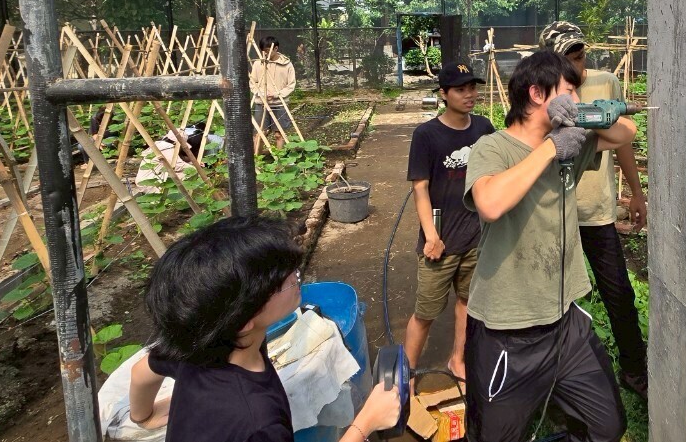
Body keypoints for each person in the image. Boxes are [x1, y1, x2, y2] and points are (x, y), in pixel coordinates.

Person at [463, 50, 636, 442]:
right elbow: (490, 204)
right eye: (570, 92)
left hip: (565, 325)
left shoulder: (570, 142)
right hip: (506, 332)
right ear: (538, 94)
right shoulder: (494, 148)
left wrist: (594, 115)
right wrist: (550, 148)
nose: (576, 100)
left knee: (607, 427)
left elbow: (627, 132)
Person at [127, 215, 401, 442]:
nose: (296, 276)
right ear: (243, 319)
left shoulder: (198, 341)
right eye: (283, 280)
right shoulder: (258, 421)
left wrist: (143, 416)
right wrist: (366, 421)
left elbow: (141, 373)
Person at [539, 21, 650, 397]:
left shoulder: (605, 84)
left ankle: (635, 371)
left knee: (618, 292)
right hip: (555, 212)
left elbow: (622, 142)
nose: (578, 64)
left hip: (597, 211)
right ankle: (552, 379)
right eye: (568, 58)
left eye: (580, 54)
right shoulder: (542, 92)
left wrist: (636, 193)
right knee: (554, 298)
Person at [404, 61, 494, 384]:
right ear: (443, 94)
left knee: (467, 302)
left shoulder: (483, 128)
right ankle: (407, 373)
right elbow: (420, 188)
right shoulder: (427, 135)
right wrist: (430, 235)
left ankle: (458, 359)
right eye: (460, 89)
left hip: (474, 238)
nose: (469, 94)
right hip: (439, 243)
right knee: (426, 312)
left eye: (472, 87)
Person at [250, 36, 297, 152]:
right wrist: (261, 93)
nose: (265, 54)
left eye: (267, 51)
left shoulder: (286, 64)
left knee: (279, 134)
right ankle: (257, 162)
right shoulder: (258, 64)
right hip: (261, 103)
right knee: (259, 134)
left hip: (279, 103)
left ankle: (279, 163)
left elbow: (291, 85)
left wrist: (276, 94)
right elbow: (252, 82)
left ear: (276, 48)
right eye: (263, 51)